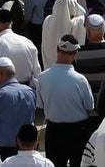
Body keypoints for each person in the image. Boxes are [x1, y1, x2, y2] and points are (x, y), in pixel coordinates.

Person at [36, 35, 95, 167]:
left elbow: (40, 104)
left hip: (54, 131)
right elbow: (89, 106)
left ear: (57, 50)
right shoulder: (80, 80)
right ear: (75, 54)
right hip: (77, 131)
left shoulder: (43, 78)